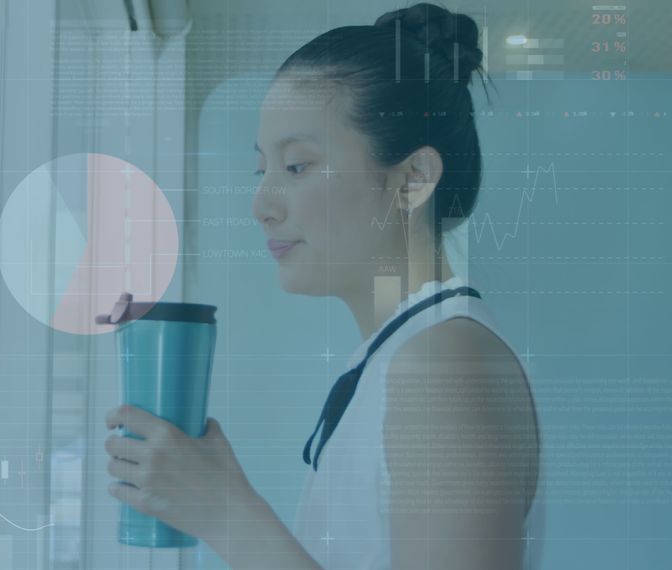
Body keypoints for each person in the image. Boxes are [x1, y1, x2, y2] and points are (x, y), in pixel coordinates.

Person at [103, 4, 542, 569]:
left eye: (298, 166)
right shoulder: (399, 355)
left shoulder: (441, 364)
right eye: (261, 170)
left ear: (412, 180)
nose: (261, 205)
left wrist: (225, 513)